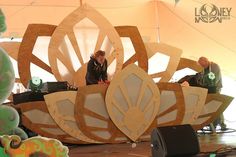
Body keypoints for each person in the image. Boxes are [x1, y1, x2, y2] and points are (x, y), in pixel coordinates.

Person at [197, 57, 226, 130]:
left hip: (215, 89)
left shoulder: (214, 66)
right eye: (201, 66)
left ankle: (222, 123)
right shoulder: (205, 69)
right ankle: (211, 123)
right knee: (209, 106)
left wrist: (205, 81)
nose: (202, 67)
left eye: (203, 65)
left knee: (217, 105)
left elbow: (213, 79)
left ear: (206, 61)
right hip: (208, 89)